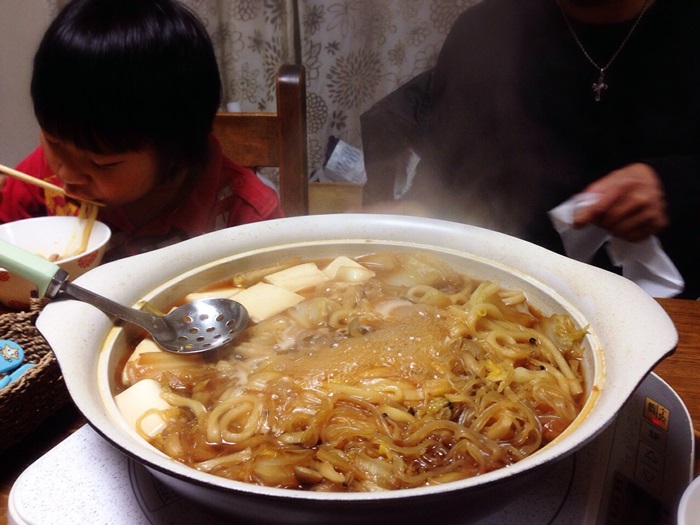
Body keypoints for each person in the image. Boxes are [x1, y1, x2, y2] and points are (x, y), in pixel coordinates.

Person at [361, 0, 699, 299]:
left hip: (667, 305)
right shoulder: (483, 31)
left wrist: (671, 184)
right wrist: (417, 210)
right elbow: (445, 173)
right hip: (501, 294)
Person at [0, 0, 283, 261]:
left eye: (102, 163)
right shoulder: (41, 174)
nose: (67, 176)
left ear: (177, 153)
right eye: (54, 143)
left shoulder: (244, 215)